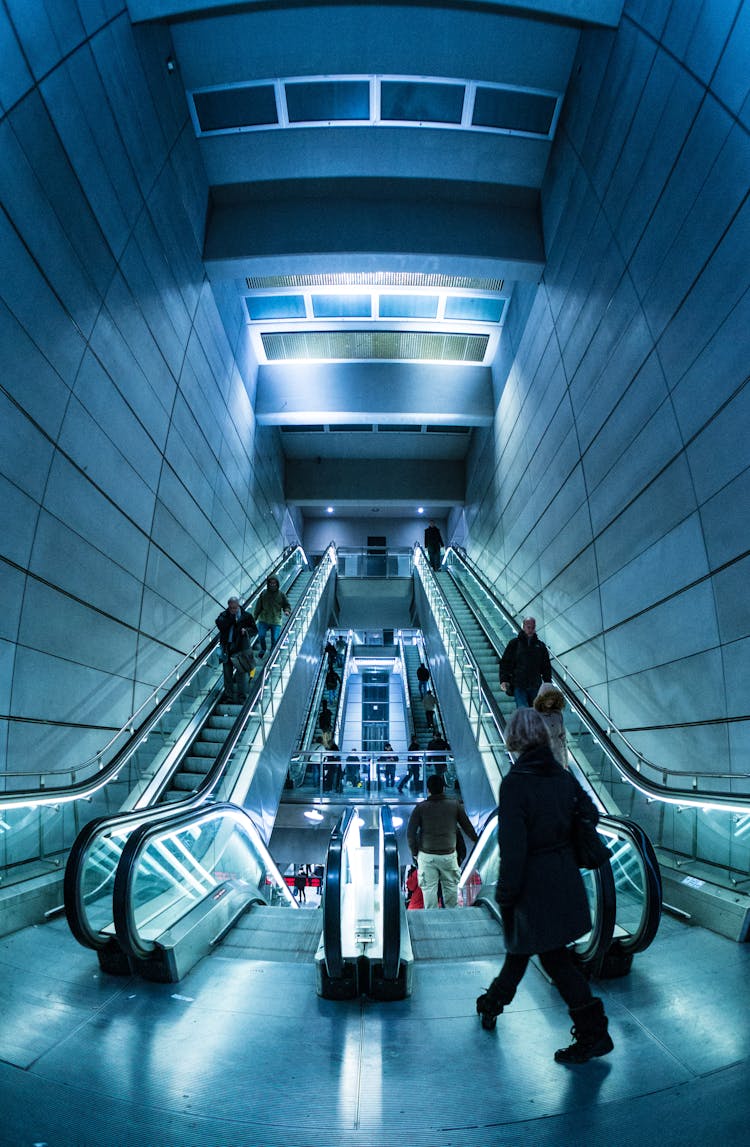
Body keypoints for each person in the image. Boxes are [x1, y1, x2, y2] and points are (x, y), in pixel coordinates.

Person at [475, 708, 614, 1065]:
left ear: (514, 739)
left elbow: (514, 848)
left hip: (533, 886)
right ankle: (491, 1004)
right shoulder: (562, 775)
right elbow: (590, 813)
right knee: (524, 953)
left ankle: (593, 1034)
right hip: (564, 877)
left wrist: (506, 893)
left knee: (551, 959)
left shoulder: (516, 783)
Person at [407, 773, 477, 909]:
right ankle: (452, 922)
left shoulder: (420, 808)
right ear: (444, 788)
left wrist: (415, 853)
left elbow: (410, 834)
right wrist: (478, 842)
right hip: (448, 855)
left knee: (429, 894)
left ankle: (431, 924)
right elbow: (468, 828)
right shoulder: (454, 805)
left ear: (428, 790)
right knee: (451, 892)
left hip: (426, 857)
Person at [499, 617, 552, 708]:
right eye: (528, 627)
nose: (530, 630)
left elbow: (546, 666)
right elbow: (505, 663)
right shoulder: (514, 644)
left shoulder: (540, 646)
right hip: (519, 684)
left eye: (532, 627)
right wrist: (504, 679)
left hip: (535, 685)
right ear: (523, 627)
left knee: (536, 711)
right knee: (523, 709)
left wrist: (547, 682)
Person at [215, 596, 257, 702]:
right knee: (227, 674)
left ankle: (242, 696)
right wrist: (232, 619)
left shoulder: (246, 616)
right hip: (227, 649)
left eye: (234, 607)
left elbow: (254, 630)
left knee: (241, 673)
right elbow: (220, 624)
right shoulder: (224, 615)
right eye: (231, 608)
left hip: (240, 649)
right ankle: (228, 696)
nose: (233, 610)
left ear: (238, 605)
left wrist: (246, 630)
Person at [252, 575, 291, 656]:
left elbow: (286, 605)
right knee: (261, 636)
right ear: (268, 584)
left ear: (277, 584)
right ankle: (263, 649)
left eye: (274, 583)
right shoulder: (263, 594)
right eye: (271, 583)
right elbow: (258, 607)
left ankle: (272, 653)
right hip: (263, 620)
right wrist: (254, 618)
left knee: (274, 638)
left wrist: (286, 611)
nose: (272, 585)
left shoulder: (281, 595)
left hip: (275, 620)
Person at [534, 683, 568, 767]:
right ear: (541, 699)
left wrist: (565, 760)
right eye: (547, 698)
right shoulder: (534, 715)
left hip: (558, 757)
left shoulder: (558, 715)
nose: (550, 701)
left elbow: (563, 738)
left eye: (552, 699)